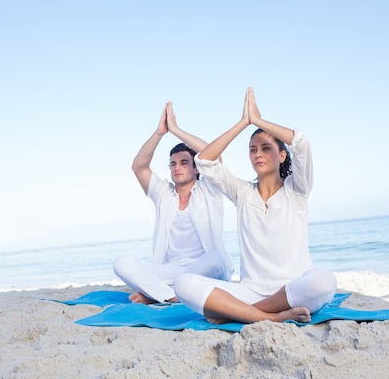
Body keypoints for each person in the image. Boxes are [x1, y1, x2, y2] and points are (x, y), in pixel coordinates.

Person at [174, 87, 337, 324]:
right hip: (250, 291)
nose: (258, 154)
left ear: (282, 155)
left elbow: (301, 143)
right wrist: (243, 123)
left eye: (266, 148)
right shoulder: (242, 193)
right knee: (183, 283)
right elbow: (204, 160)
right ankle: (271, 317)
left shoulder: (297, 190)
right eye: (253, 150)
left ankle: (243, 313)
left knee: (323, 281)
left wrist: (258, 121)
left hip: (294, 289)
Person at [113, 101, 234, 304]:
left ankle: (157, 294)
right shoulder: (163, 194)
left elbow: (215, 155)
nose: (177, 167)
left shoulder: (209, 190)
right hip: (168, 271)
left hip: (203, 269)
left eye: (184, 163)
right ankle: (170, 295)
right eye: (173, 164)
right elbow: (139, 167)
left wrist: (175, 130)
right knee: (121, 263)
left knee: (216, 259)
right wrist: (159, 133)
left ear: (196, 169)